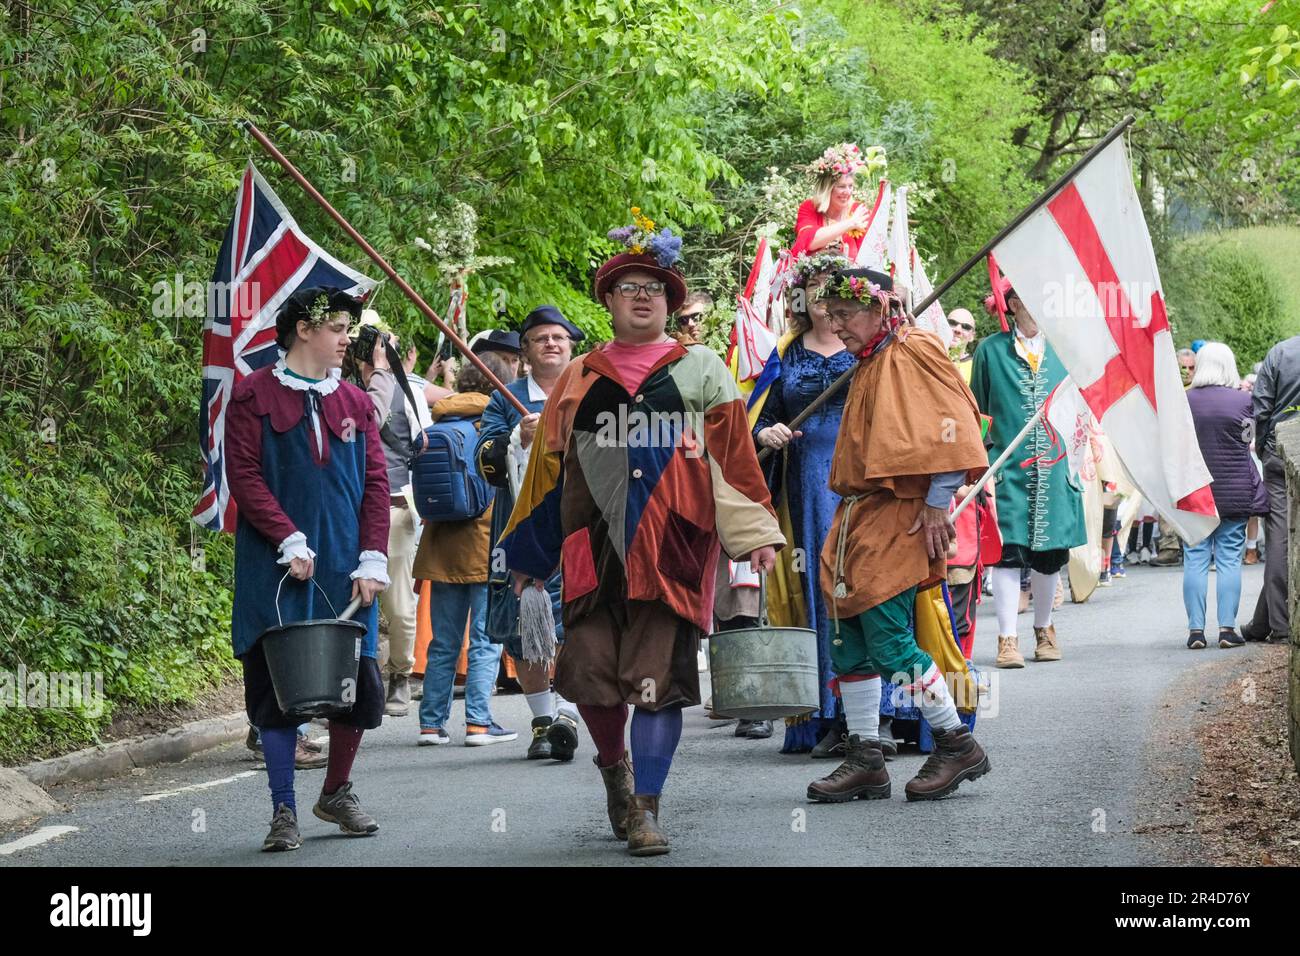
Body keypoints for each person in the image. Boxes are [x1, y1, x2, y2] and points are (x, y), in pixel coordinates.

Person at [500, 214, 784, 855]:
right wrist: (528, 552)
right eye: (627, 285)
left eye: (653, 287)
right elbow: (548, 469)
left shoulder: (703, 368)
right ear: (607, 300)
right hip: (590, 550)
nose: (641, 294)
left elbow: (734, 460)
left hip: (672, 547)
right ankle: (615, 775)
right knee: (595, 676)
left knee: (659, 680)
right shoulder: (579, 376)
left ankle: (647, 807)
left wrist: (754, 533)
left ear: (669, 299)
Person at [805, 267, 990, 804]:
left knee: (888, 638)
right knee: (848, 638)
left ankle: (956, 742)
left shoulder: (914, 349)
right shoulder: (872, 358)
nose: (836, 326)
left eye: (845, 314)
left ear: (881, 308)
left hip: (899, 514)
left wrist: (936, 507)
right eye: (830, 315)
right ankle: (865, 756)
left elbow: (956, 426)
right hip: (857, 515)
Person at [225, 286, 389, 852]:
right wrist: (287, 536)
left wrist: (372, 556)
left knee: (357, 686)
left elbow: (375, 485)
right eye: (339, 328)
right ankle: (283, 809)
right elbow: (243, 476)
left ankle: (336, 790)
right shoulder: (252, 396)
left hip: (345, 562)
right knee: (278, 689)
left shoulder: (357, 402)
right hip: (275, 564)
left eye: (348, 328)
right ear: (303, 329)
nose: (348, 339)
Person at [753, 250, 869, 755]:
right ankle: (825, 714)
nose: (824, 303)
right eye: (815, 290)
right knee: (817, 591)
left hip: (859, 481)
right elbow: (757, 422)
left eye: (834, 292)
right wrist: (769, 431)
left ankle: (873, 715)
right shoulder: (785, 353)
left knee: (865, 587)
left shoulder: (869, 351)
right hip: (802, 486)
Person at [476, 306, 586, 760]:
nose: (551, 344)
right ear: (526, 349)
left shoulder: (588, 389)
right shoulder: (505, 397)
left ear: (571, 346)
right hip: (519, 526)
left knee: (578, 619)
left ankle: (569, 710)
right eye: (540, 338)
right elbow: (482, 458)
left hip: (577, 525)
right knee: (523, 624)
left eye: (559, 337)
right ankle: (543, 722)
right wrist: (517, 441)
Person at [970, 279, 1086, 668]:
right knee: (1007, 553)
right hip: (1007, 469)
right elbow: (979, 415)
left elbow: (1080, 410)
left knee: (1049, 554)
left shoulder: (1064, 352)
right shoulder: (989, 352)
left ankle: (1044, 629)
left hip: (1054, 469)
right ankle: (1006, 638)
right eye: (1031, 299)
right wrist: (980, 463)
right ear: (1013, 304)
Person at [413, 353, 517, 746]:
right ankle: (478, 722)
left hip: (441, 547)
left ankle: (430, 724)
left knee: (444, 640)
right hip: (485, 544)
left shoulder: (439, 421)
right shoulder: (492, 425)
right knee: (485, 637)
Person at [347, 310, 432, 718]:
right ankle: (350, 678)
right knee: (348, 599)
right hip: (347, 509)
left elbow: (422, 446)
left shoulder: (407, 392)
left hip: (396, 506)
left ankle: (400, 675)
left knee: (399, 603)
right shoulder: (337, 388)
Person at [1181, 343, 1267, 648]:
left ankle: (1195, 631)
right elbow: (1249, 442)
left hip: (1195, 493)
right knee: (1230, 558)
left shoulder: (1184, 402)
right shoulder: (1244, 402)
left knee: (1195, 557)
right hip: (1235, 491)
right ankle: (1227, 630)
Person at [1242, 333, 1300, 643]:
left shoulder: (1280, 353)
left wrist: (1264, 448)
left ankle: (1277, 625)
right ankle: (1266, 623)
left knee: (1279, 537)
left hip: (1281, 452)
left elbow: (1260, 409)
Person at [791, 143, 873, 261]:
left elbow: (868, 255)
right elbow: (809, 242)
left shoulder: (859, 210)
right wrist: (851, 223)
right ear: (827, 189)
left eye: (850, 186)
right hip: (813, 278)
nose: (847, 192)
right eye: (841, 187)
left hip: (851, 277)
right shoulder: (809, 207)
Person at [947, 307, 977, 381]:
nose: (957, 330)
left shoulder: (975, 369)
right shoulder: (928, 357)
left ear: (972, 336)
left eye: (966, 327)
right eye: (952, 323)